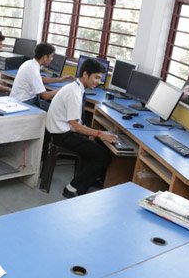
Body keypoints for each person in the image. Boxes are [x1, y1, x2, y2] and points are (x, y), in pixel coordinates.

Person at [45, 58, 117, 198]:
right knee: (103, 156)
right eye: (96, 77)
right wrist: (99, 133)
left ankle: (90, 177)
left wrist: (93, 134)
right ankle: (72, 188)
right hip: (61, 135)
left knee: (96, 143)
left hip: (61, 129)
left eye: (100, 79)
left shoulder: (75, 87)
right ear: (85, 74)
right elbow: (76, 126)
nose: (98, 82)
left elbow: (76, 124)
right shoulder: (74, 94)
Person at [10, 43, 69, 110]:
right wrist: (62, 89)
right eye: (51, 56)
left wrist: (59, 80)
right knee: (56, 109)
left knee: (52, 106)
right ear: (45, 57)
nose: (52, 59)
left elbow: (40, 79)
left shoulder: (29, 63)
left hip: (19, 99)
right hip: (23, 102)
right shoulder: (33, 70)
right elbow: (45, 96)